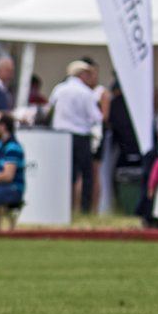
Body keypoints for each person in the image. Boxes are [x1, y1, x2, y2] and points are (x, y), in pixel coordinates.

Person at [48, 59, 106, 214]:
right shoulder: (86, 92)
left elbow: (50, 109)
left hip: (61, 136)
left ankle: (64, 207)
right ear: (81, 75)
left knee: (66, 173)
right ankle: (84, 209)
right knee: (86, 174)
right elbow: (96, 117)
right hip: (81, 136)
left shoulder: (59, 89)